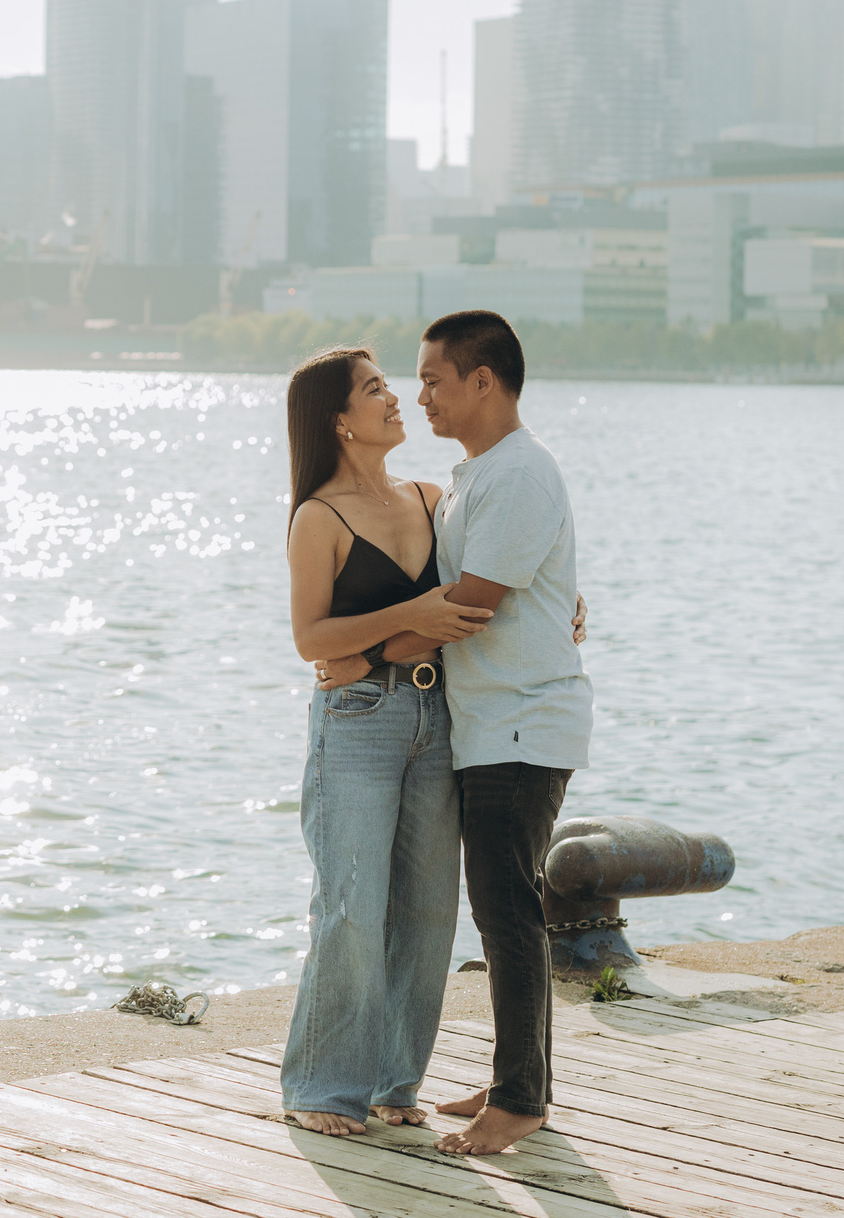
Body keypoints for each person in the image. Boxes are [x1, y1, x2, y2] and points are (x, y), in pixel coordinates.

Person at [358, 309, 592, 1156]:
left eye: (433, 379)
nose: (420, 395)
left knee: (506, 909)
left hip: (523, 725)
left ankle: (522, 1099)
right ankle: (515, 1078)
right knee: (503, 905)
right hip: (494, 723)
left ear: (482, 380)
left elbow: (472, 607)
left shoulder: (519, 473)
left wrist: (364, 653)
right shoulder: (476, 474)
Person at [279, 346, 497, 1138]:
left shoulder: (432, 498)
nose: (396, 397)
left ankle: (391, 1081)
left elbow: (490, 581)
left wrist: (559, 607)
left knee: (430, 910)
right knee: (349, 907)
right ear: (340, 420)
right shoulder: (319, 516)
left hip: (437, 722)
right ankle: (320, 1086)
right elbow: (312, 638)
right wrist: (408, 623)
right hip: (358, 723)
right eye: (375, 389)